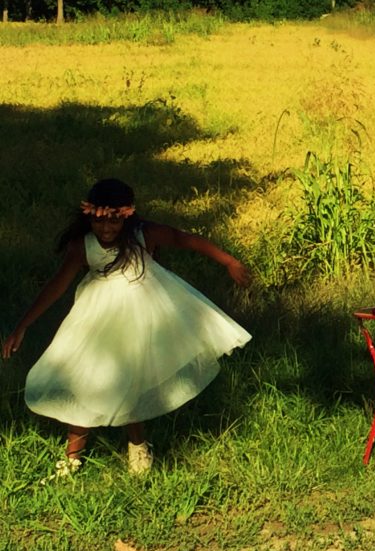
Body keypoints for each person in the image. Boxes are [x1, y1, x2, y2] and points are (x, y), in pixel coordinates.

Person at [1, 178, 252, 481]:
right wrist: (23, 325)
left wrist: (229, 261)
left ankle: (138, 446)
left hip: (140, 318)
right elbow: (57, 286)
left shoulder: (144, 235)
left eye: (114, 222)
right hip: (95, 320)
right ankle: (72, 459)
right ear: (89, 216)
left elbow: (184, 238)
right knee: (83, 379)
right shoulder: (83, 247)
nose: (106, 229)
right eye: (99, 221)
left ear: (127, 216)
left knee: (131, 383)